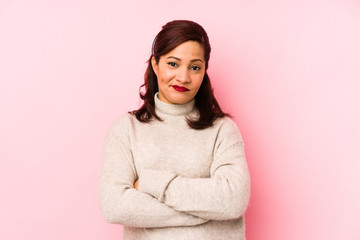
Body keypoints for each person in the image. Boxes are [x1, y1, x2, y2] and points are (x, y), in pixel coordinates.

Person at [99, 20, 251, 240]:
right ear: (155, 64)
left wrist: (152, 183)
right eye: (173, 64)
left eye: (195, 67)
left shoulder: (222, 130)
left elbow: (233, 200)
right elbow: (114, 205)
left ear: (204, 71)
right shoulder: (125, 129)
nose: (183, 77)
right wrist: (204, 211)